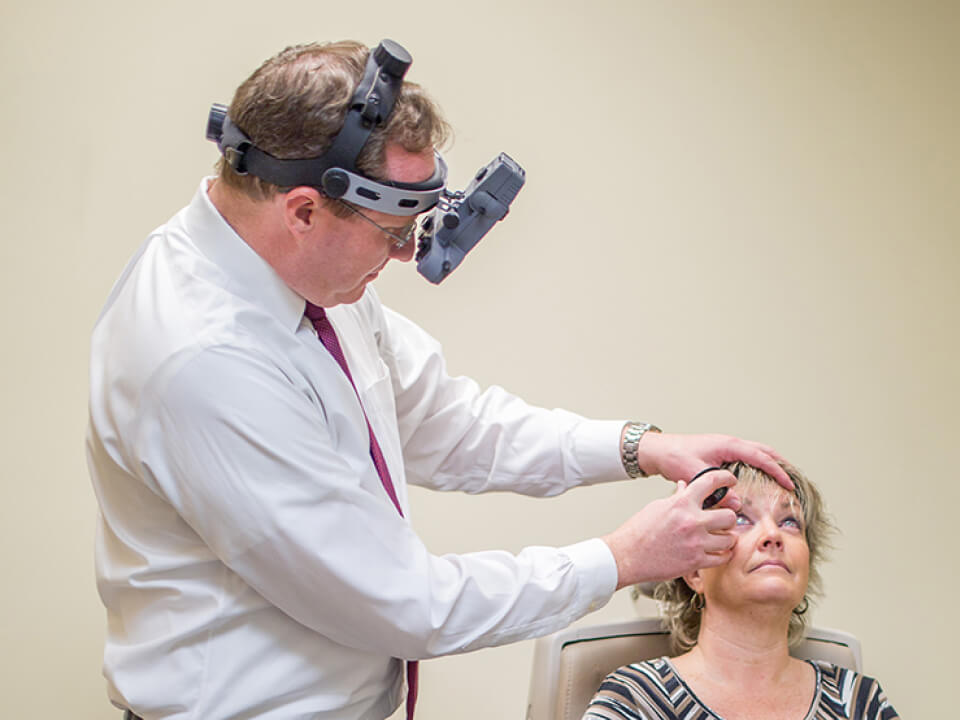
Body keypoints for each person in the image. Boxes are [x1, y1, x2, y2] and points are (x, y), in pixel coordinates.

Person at [87, 40, 792, 720]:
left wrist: (637, 447)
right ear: (302, 210)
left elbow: (448, 422)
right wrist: (621, 559)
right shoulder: (203, 360)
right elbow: (402, 602)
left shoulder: (315, 282)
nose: (402, 256)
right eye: (392, 231)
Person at [583, 462, 900, 720]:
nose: (773, 535)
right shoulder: (636, 698)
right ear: (694, 571)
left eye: (790, 522)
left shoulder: (859, 700)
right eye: (741, 519)